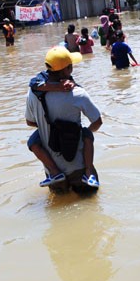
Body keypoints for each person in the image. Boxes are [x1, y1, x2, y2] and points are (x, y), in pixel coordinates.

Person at [26, 46, 101, 189]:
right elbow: (97, 122)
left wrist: (47, 127)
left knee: (58, 207)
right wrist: (84, 135)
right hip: (79, 167)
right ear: (68, 70)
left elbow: (30, 122)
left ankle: (55, 171)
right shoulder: (78, 93)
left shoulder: (33, 93)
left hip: (53, 174)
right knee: (91, 205)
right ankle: (89, 171)